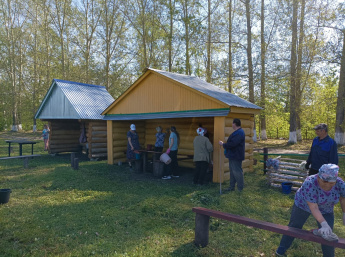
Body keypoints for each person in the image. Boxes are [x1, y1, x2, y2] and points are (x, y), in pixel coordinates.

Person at [275, 164, 345, 257]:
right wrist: (323, 224)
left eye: (331, 183)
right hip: (303, 205)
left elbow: (343, 198)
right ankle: (280, 251)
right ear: (318, 177)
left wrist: (344, 213)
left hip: (326, 209)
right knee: (294, 227)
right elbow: (314, 207)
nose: (327, 185)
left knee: (328, 234)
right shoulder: (310, 183)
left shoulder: (340, 184)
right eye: (324, 181)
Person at [219, 118, 245, 192]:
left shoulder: (239, 133)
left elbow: (233, 144)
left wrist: (223, 144)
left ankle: (240, 188)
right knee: (233, 171)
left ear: (234, 124)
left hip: (236, 155)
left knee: (237, 171)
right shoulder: (238, 132)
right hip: (233, 155)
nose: (232, 125)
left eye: (232, 123)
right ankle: (232, 187)